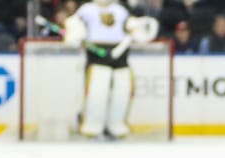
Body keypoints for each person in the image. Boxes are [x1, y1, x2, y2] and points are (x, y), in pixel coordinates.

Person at [63, 0, 159, 138]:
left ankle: (116, 124)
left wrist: (139, 26)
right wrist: (74, 32)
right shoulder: (87, 9)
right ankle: (93, 124)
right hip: (97, 55)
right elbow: (74, 24)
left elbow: (130, 25)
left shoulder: (120, 9)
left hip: (120, 55)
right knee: (97, 90)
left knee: (122, 89)